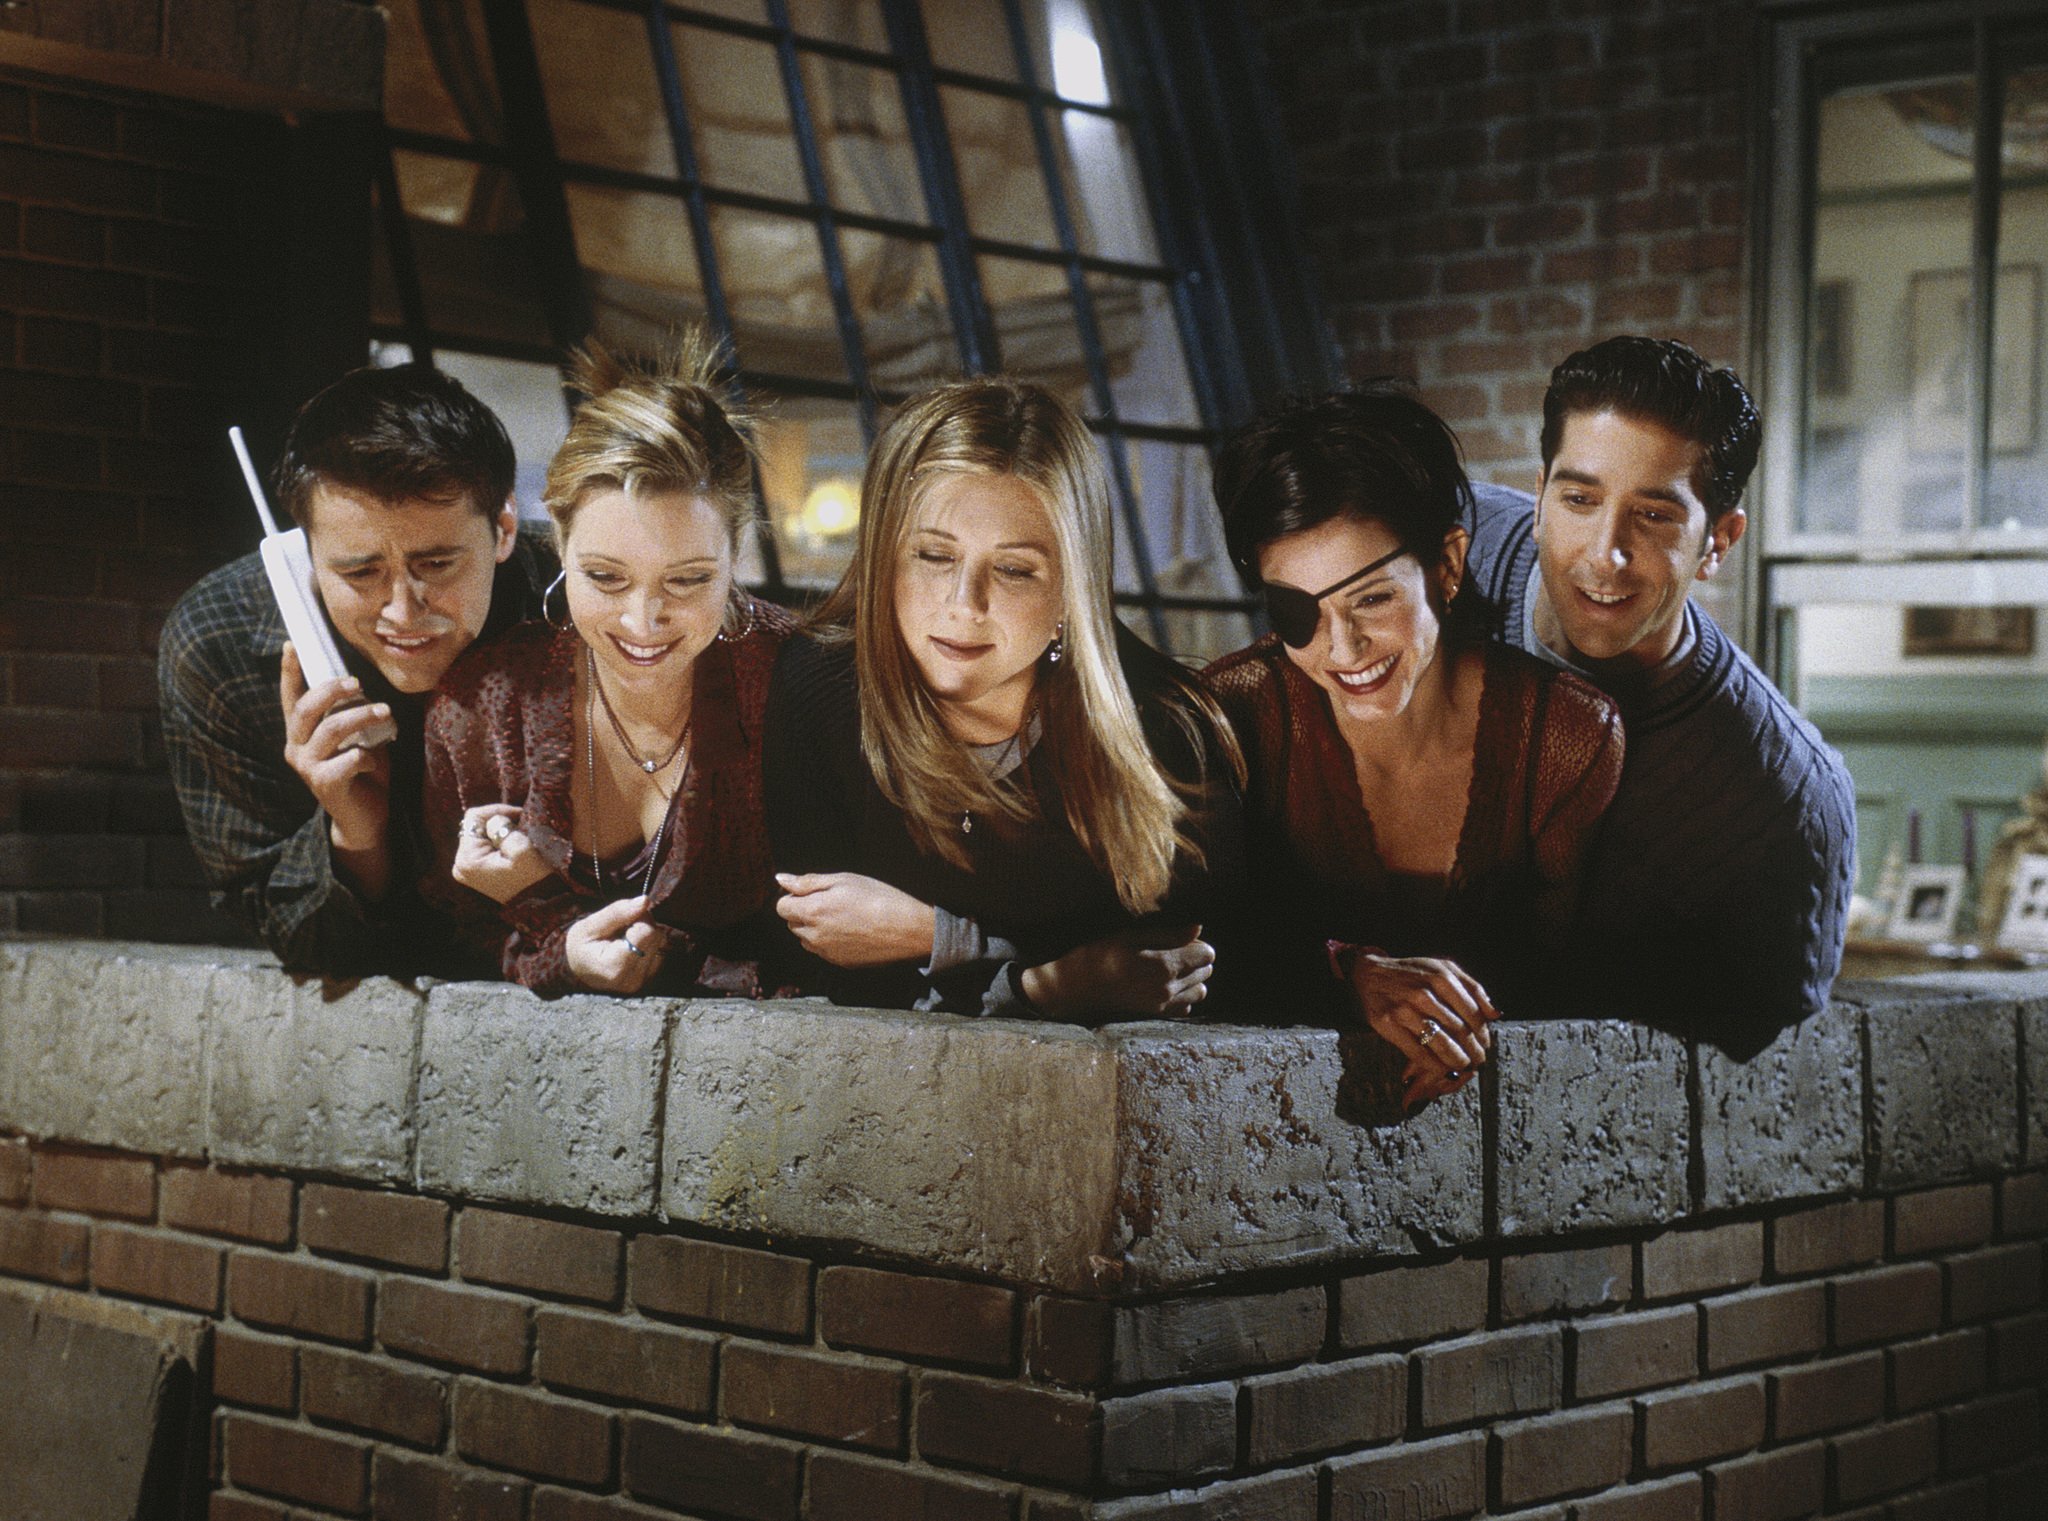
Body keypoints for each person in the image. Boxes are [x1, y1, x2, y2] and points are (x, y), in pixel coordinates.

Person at [765, 376, 1243, 1020]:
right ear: (885, 559)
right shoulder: (822, 687)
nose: (965, 605)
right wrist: (1035, 982)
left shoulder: (1164, 729)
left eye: (1015, 570)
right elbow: (816, 973)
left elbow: (1186, 982)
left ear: (1072, 591)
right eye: (934, 556)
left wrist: (937, 939)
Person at [1205, 386, 1624, 1112]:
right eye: (1297, 610)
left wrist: (1465, 1032)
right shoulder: (1229, 717)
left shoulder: (1568, 737)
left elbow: (1576, 985)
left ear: (1447, 566)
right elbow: (1184, 958)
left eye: (1372, 598)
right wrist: (1348, 974)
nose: (1343, 649)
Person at [1460, 336, 1856, 1057]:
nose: (1604, 554)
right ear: (1541, 492)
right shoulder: (1435, 548)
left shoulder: (1786, 800)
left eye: (1653, 516)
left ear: (1719, 541)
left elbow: (1771, 1050)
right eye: (1579, 499)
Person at [422, 340, 795, 997]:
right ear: (560, 541)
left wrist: (545, 909)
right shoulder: (481, 706)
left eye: (688, 579)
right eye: (604, 577)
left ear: (736, 552)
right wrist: (562, 946)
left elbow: (834, 946)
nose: (642, 621)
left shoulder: (800, 682)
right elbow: (448, 941)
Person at [159, 363, 552, 975]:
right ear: (305, 552)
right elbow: (296, 939)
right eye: (360, 573)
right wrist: (356, 838)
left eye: (438, 565)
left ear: (503, 529)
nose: (403, 612)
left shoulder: (580, 593)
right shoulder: (218, 641)